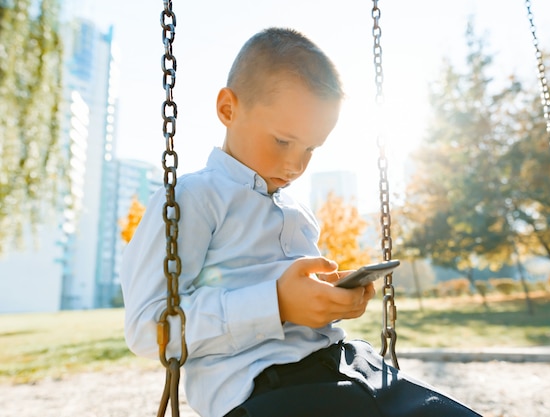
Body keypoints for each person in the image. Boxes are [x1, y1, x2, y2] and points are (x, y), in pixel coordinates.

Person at [121, 27, 482, 417]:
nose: (295, 165)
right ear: (228, 109)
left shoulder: (298, 212)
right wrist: (276, 304)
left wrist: (330, 299)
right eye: (282, 141)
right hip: (267, 390)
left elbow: (300, 302)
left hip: (350, 365)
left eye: (311, 148)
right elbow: (148, 330)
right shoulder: (192, 199)